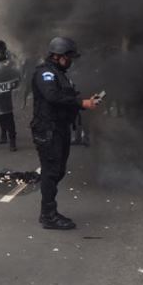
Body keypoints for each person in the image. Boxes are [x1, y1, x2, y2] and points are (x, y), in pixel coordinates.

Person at [32, 37, 99, 230]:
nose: (70, 60)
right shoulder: (45, 73)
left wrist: (84, 102)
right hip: (48, 128)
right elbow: (52, 96)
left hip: (59, 128)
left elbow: (67, 97)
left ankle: (50, 211)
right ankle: (48, 215)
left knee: (57, 170)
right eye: (68, 57)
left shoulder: (60, 74)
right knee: (51, 171)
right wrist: (80, 103)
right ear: (58, 55)